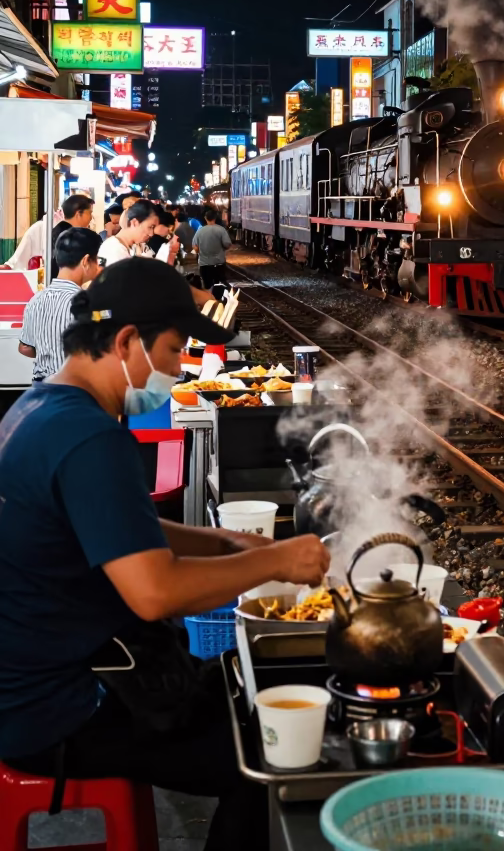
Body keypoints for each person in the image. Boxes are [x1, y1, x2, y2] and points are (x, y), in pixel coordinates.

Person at [0, 258, 328, 851]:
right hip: (58, 708)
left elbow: (127, 527)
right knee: (268, 757)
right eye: (174, 352)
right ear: (127, 342)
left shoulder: (44, 405)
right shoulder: (89, 438)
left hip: (38, 677)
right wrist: (279, 562)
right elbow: (154, 592)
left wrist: (233, 542)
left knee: (235, 701)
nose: (178, 371)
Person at [18, 228, 102, 382]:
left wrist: (48, 350)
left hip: (41, 388)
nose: (98, 266)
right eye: (98, 260)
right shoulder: (85, 303)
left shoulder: (35, 300)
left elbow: (25, 348)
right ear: (86, 261)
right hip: (74, 388)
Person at [97, 200, 159, 267]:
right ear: (134, 223)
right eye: (150, 227)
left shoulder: (137, 247)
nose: (151, 234)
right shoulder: (113, 250)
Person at [50, 194, 95, 280]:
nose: (91, 218)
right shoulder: (72, 237)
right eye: (90, 213)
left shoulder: (58, 230)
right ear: (78, 214)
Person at [193, 207, 232, 289]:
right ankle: (219, 300)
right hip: (219, 264)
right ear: (215, 218)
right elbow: (227, 244)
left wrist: (201, 251)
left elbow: (195, 247)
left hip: (204, 265)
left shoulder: (200, 231)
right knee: (219, 286)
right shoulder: (221, 230)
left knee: (207, 286)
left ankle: (210, 300)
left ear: (205, 218)